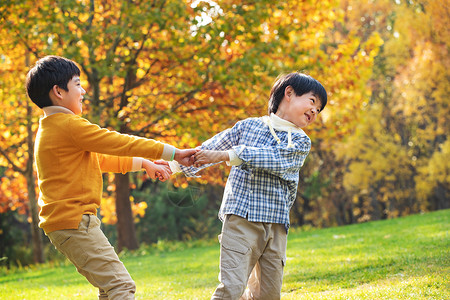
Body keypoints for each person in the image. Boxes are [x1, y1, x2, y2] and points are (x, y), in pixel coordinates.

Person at [26, 55, 197, 300]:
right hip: (74, 222)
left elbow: (102, 158)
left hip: (69, 223)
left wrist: (145, 163)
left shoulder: (52, 128)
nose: (83, 90)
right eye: (77, 84)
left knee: (110, 289)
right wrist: (174, 152)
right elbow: (118, 143)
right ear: (58, 91)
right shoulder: (69, 125)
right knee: (121, 287)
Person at [170, 72, 327, 300]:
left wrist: (228, 155)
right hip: (241, 219)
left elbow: (275, 159)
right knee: (231, 289)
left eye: (319, 109)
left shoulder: (300, 141)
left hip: (275, 226)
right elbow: (207, 150)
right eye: (312, 101)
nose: (315, 111)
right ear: (289, 93)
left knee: (267, 295)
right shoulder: (247, 127)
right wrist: (170, 166)